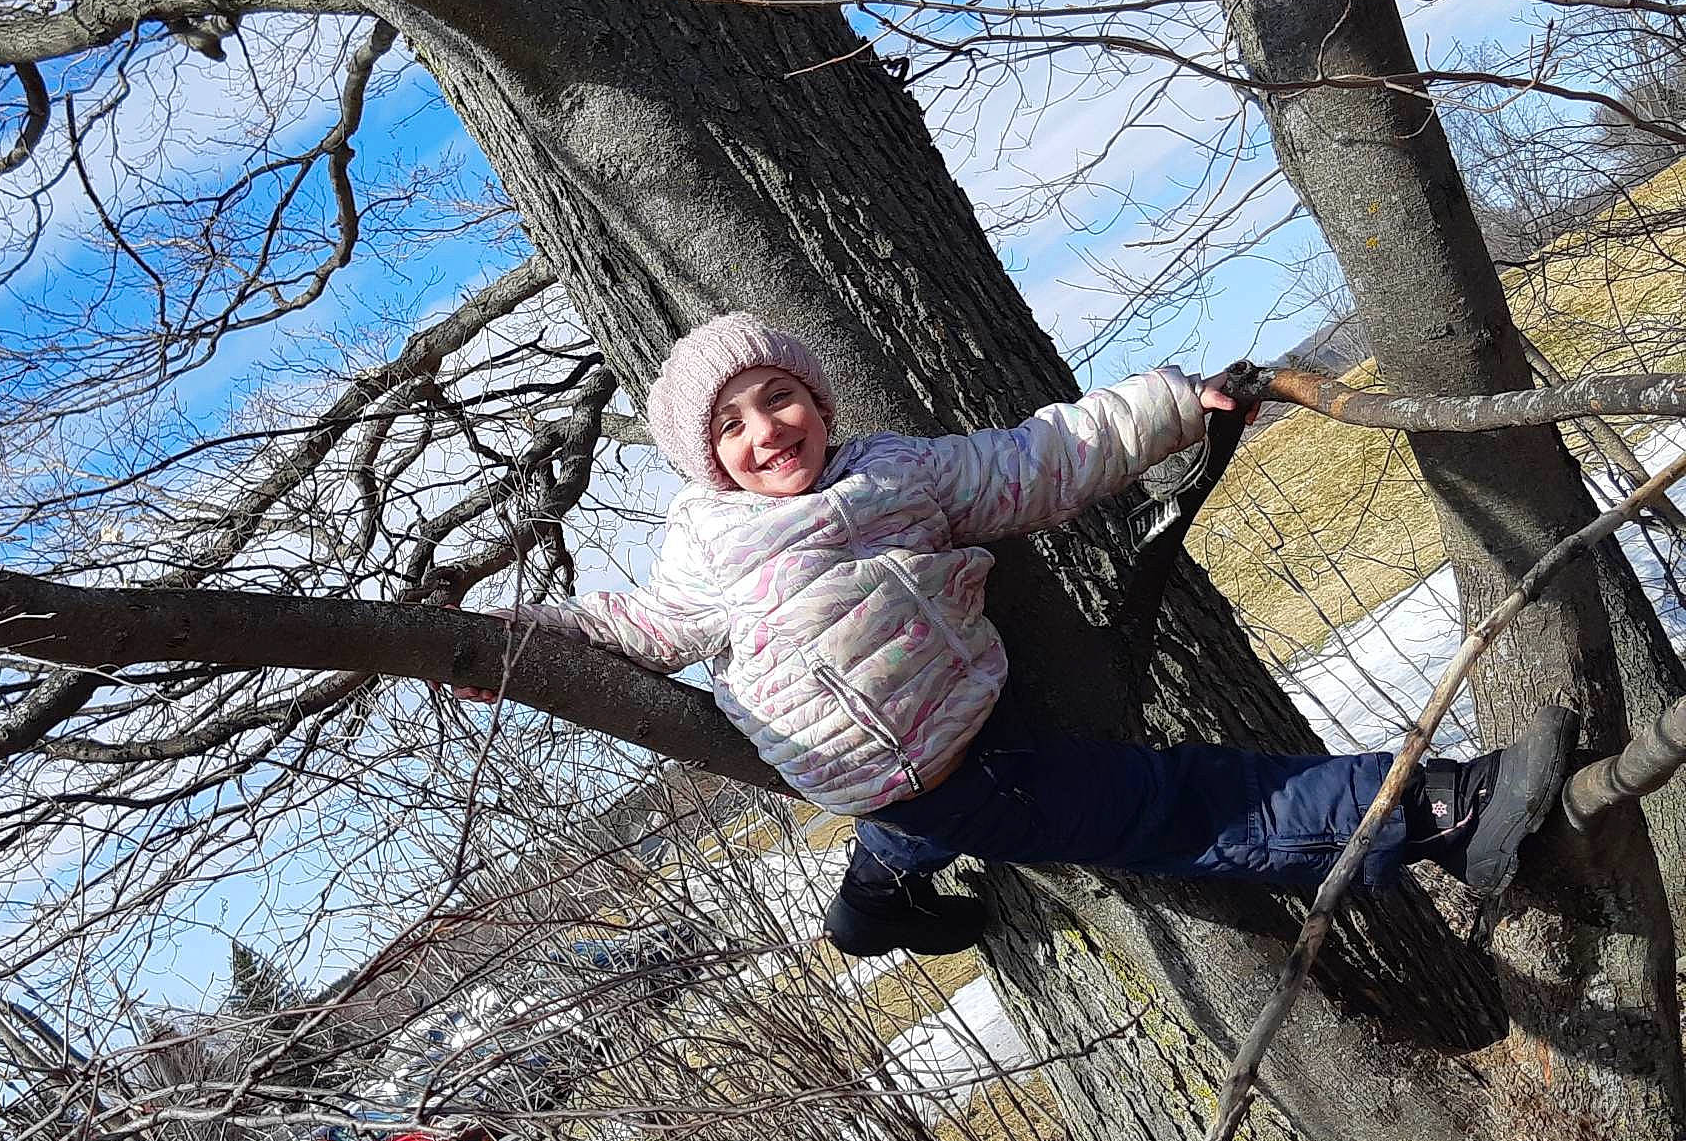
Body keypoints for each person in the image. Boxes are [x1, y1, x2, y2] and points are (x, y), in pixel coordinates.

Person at [457, 313, 1573, 958]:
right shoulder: (703, 551)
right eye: (731, 426)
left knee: (971, 806)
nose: (764, 433)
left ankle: (870, 902)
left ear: (817, 399)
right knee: (1185, 807)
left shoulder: (899, 474)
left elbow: (1037, 458)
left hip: (972, 743)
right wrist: (503, 646)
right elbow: (631, 625)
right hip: (871, 772)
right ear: (705, 462)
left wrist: (1180, 402)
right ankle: (1437, 809)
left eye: (777, 398)